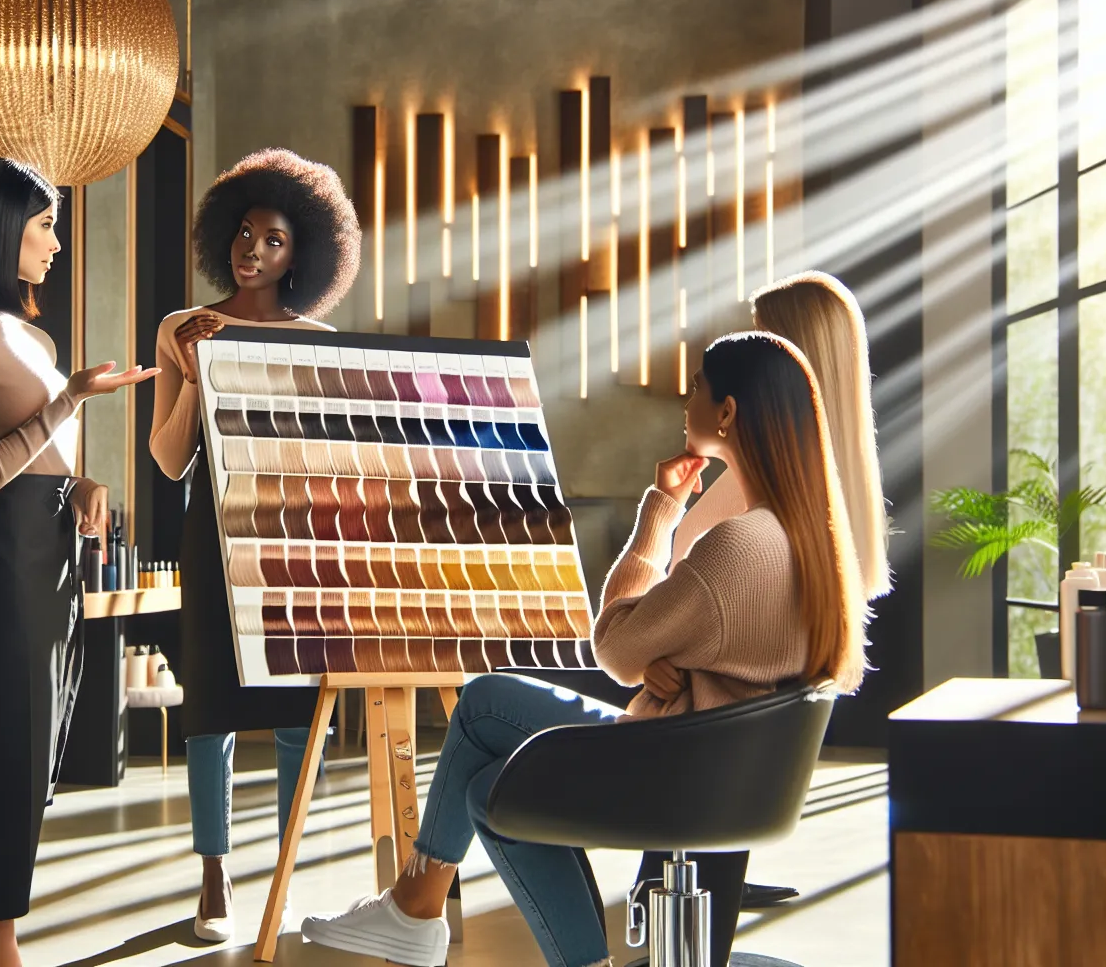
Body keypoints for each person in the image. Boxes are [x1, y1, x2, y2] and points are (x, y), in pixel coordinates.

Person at [301, 331, 869, 967]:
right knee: (490, 788)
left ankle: (414, 911)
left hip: (670, 770)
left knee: (485, 700)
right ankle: (423, 914)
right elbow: (733, 660)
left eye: (697, 388)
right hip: (727, 776)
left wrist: (662, 512)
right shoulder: (814, 542)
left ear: (729, 413)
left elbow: (615, 647)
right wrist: (681, 660)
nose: (687, 401)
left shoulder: (735, 548)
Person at [0, 157, 157, 967]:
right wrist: (72, 398)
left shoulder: (34, 336)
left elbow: (45, 462)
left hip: (50, 563)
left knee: (33, 757)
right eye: (45, 225)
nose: (56, 243)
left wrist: (86, 483)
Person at [148, 148, 361, 942]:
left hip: (293, 534)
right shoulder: (183, 328)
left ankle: (284, 874)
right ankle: (214, 878)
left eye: (273, 239)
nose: (253, 249)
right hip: (211, 524)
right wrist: (199, 372)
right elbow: (170, 459)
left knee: (298, 710)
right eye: (242, 232)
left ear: (303, 251)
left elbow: (331, 462)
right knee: (209, 702)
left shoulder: (322, 340)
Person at [660, 269, 890, 912]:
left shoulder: (756, 482)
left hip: (700, 722)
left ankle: (681, 870)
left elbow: (682, 575)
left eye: (765, 338)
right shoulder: (840, 478)